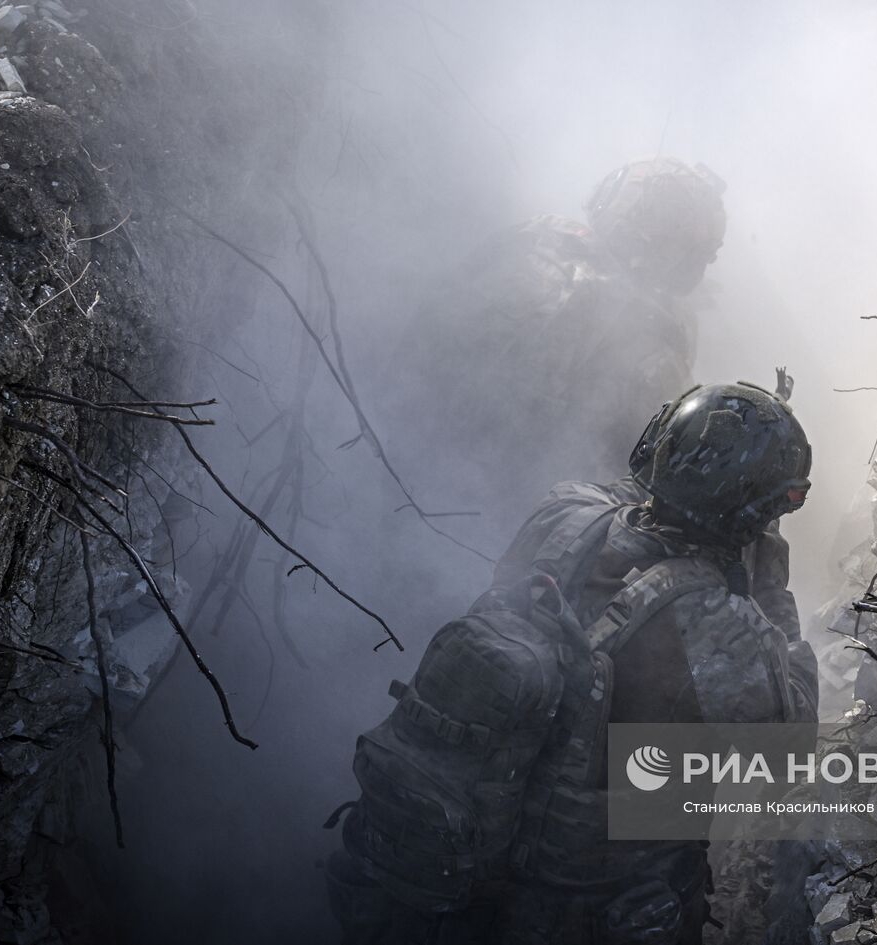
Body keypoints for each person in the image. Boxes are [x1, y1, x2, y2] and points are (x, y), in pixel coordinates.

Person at [327, 382, 818, 945]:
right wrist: (770, 580)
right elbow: (791, 746)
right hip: (588, 914)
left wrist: (712, 474)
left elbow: (639, 500)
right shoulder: (720, 627)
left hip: (456, 882)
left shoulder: (565, 512)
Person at [394, 158, 729, 535]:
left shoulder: (534, 234)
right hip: (500, 516)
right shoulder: (649, 332)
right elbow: (661, 468)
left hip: (401, 439)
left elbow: (433, 312)